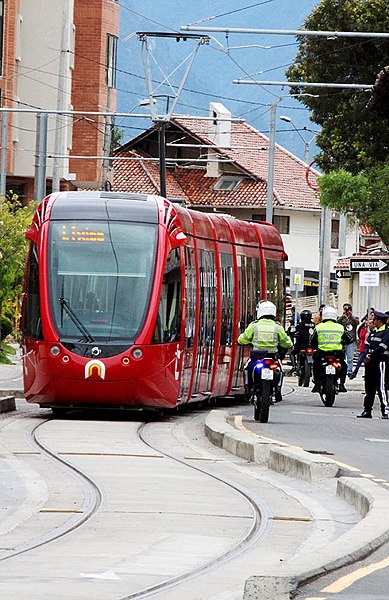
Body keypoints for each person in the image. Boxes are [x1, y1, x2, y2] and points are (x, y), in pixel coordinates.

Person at [238, 300, 292, 398]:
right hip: (272, 357)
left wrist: (240, 342)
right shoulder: (277, 327)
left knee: (247, 368)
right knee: (280, 370)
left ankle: (248, 389)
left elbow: (242, 339)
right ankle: (278, 390)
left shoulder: (254, 326)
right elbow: (287, 343)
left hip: (257, 357)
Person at [310, 305, 353, 394]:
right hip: (337, 354)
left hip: (322, 354)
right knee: (343, 365)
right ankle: (342, 384)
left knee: (315, 365)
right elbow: (349, 339)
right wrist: (343, 342)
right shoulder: (340, 327)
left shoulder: (319, 327)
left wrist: (314, 346)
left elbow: (312, 341)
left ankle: (316, 384)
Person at [357, 310, 389, 419]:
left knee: (381, 387)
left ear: (380, 321)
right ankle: (367, 410)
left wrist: (372, 356)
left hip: (380, 362)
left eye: (375, 319)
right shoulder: (374, 331)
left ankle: (385, 410)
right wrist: (366, 355)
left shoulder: (386, 332)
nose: (373, 321)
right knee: (369, 388)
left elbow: (382, 347)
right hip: (370, 363)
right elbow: (367, 344)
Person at [338, 303, 359, 376]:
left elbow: (357, 323)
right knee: (341, 356)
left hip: (351, 340)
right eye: (345, 309)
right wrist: (342, 317)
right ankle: (341, 369)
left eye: (348, 309)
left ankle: (349, 371)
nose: (347, 311)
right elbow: (337, 323)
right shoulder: (341, 318)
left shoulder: (354, 318)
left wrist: (351, 316)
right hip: (342, 340)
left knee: (350, 357)